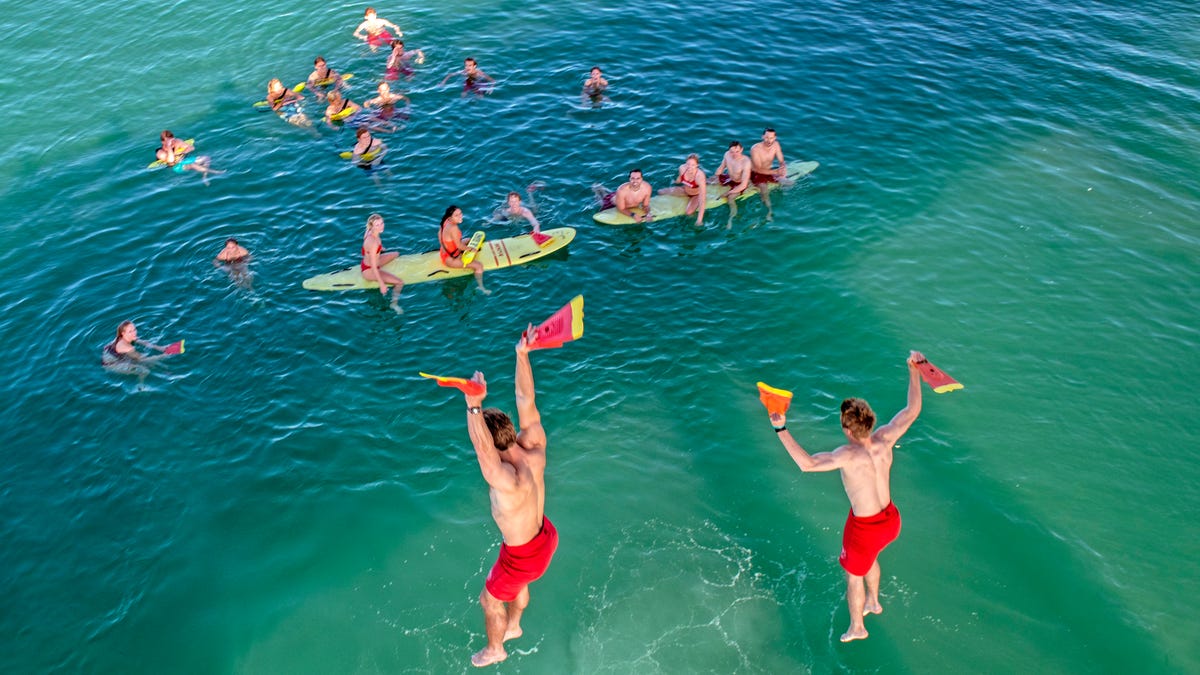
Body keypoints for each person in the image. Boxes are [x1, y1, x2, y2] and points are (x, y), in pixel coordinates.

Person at [766, 352, 924, 643]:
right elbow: (913, 409)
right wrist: (914, 370)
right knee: (870, 557)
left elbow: (808, 464)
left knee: (854, 576)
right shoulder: (885, 438)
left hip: (863, 531)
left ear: (847, 429)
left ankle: (857, 627)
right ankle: (873, 602)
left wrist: (780, 428)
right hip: (891, 521)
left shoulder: (846, 455)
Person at [459, 331, 557, 667]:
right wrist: (522, 353)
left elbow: (484, 451)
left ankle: (496, 648)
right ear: (510, 427)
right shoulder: (534, 446)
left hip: (522, 556)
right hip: (545, 537)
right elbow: (526, 398)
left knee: (489, 600)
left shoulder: (504, 479)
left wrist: (473, 405)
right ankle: (514, 627)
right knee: (518, 583)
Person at [438, 205, 489, 294]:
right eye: (456, 215)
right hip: (450, 259)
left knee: (469, 239)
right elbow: (459, 246)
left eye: (460, 213)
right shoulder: (453, 228)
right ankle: (481, 287)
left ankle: (463, 253)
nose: (461, 216)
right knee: (479, 266)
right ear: (451, 217)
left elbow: (439, 234)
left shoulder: (445, 221)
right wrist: (471, 249)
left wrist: (445, 246)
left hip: (445, 252)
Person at [360, 213, 403, 312]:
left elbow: (365, 240)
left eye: (382, 223)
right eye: (377, 225)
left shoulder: (369, 232)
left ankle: (381, 252)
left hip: (373, 260)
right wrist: (382, 284)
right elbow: (375, 267)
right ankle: (394, 304)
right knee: (400, 282)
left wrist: (380, 249)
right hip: (369, 269)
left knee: (396, 254)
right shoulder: (374, 243)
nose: (381, 226)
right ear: (372, 226)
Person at [101, 321, 173, 371]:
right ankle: (141, 387)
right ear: (123, 333)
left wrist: (160, 348)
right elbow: (143, 359)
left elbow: (143, 342)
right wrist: (164, 355)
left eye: (134, 329)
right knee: (144, 370)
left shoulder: (125, 337)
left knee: (150, 364)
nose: (134, 333)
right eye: (130, 331)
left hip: (113, 353)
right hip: (111, 364)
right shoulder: (128, 348)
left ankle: (166, 371)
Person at [155, 131, 221, 185]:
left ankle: (204, 176)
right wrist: (169, 147)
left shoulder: (177, 142)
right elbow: (171, 161)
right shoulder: (160, 153)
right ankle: (215, 172)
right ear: (163, 142)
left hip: (184, 160)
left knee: (206, 158)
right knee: (192, 165)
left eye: (172, 140)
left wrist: (183, 152)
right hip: (176, 167)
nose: (171, 142)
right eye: (168, 141)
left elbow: (191, 148)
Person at [658, 154, 707, 226]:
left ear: (697, 165)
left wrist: (699, 220)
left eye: (693, 165)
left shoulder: (700, 176)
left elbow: (702, 199)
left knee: (688, 213)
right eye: (688, 164)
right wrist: (674, 182)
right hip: (684, 190)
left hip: (696, 195)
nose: (690, 167)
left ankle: (695, 216)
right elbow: (680, 178)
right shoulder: (682, 168)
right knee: (660, 192)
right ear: (685, 163)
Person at [749, 128, 787, 216]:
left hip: (770, 171)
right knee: (764, 189)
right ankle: (768, 211)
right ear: (762, 137)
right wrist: (775, 172)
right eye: (766, 137)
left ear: (775, 138)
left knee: (789, 183)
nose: (769, 140)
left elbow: (781, 160)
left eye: (771, 138)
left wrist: (783, 168)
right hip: (756, 173)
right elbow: (758, 169)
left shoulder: (776, 145)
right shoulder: (755, 149)